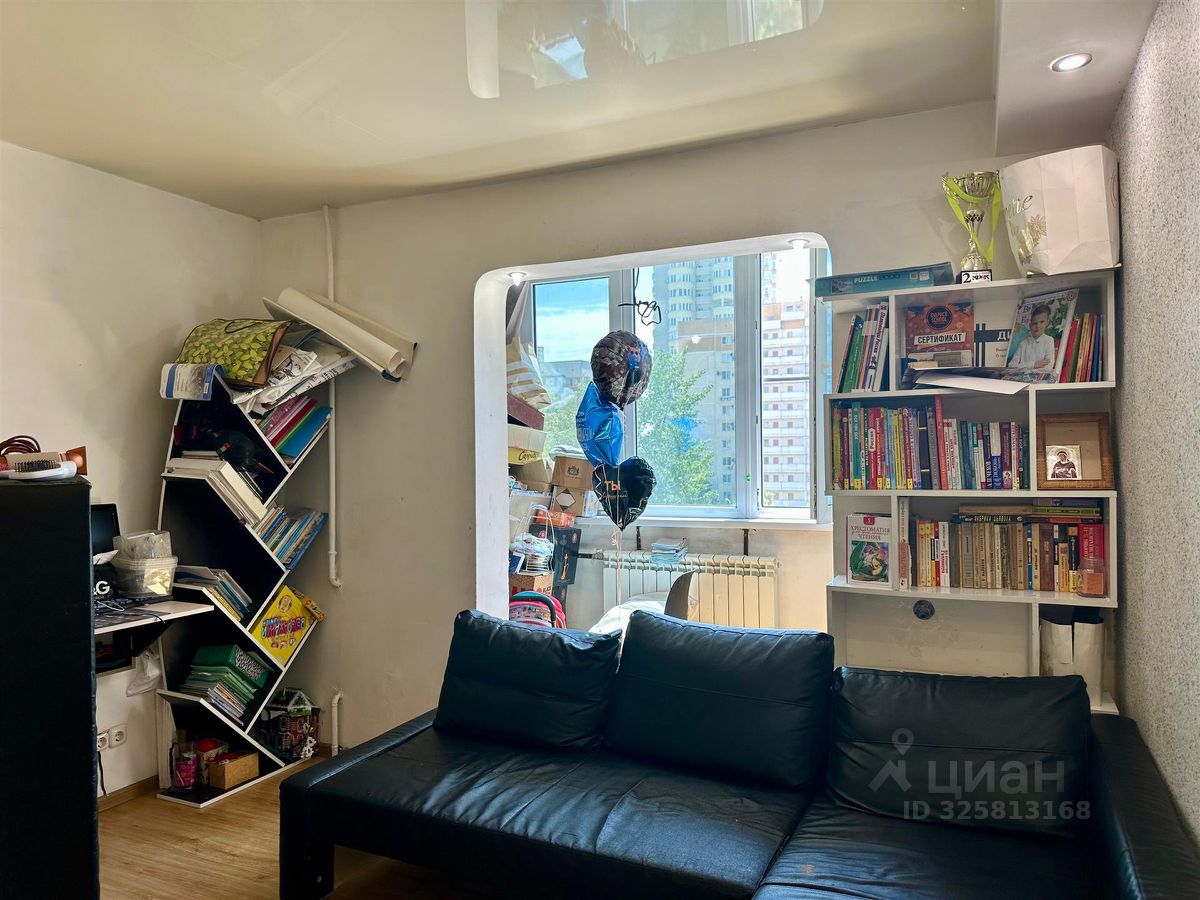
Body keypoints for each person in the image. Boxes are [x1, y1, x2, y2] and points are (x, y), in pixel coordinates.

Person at [1008, 303, 1056, 370]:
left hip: (1039, 376)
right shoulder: (1023, 343)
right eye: (1035, 323)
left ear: (1047, 322)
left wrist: (1024, 367)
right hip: (1022, 376)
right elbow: (1011, 365)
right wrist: (1033, 364)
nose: (1038, 326)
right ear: (1030, 325)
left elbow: (1049, 365)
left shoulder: (1049, 340)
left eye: (1042, 322)